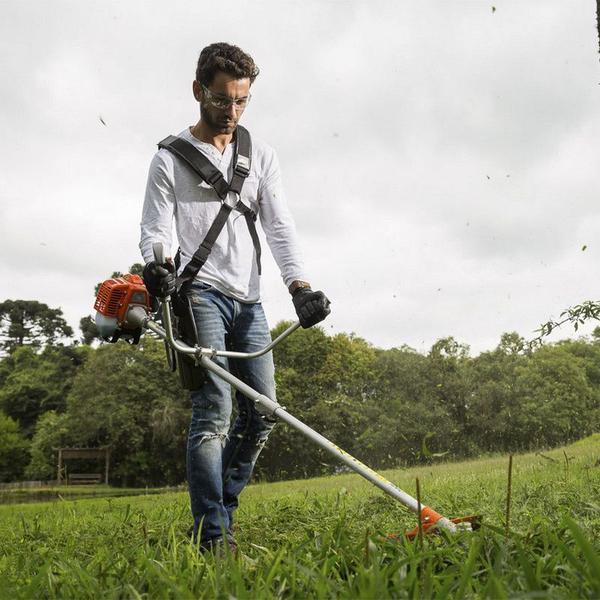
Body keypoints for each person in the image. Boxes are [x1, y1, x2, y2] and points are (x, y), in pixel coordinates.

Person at [139, 42, 330, 552]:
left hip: (250, 299)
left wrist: (300, 286)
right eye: (223, 100)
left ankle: (217, 507)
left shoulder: (260, 155)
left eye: (242, 101)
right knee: (215, 409)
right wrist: (157, 263)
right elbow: (155, 229)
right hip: (198, 293)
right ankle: (214, 536)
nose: (232, 111)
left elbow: (280, 226)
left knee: (263, 409)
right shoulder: (169, 158)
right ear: (198, 91)